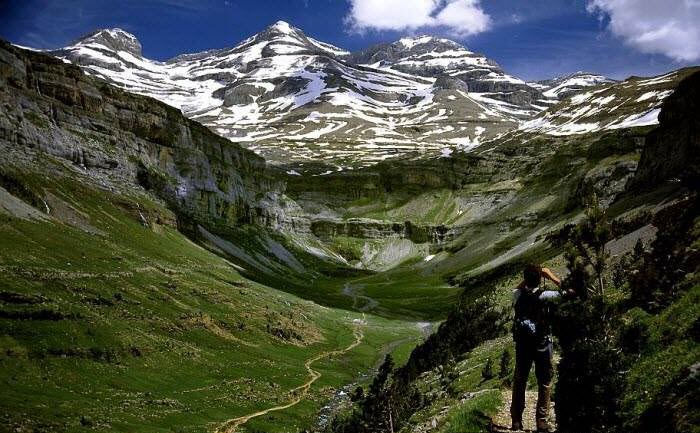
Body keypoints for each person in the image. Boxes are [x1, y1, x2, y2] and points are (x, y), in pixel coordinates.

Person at [510, 263, 566, 433]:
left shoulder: (517, 295)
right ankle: (541, 422)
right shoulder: (546, 295)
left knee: (520, 380)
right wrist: (550, 276)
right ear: (540, 279)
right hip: (542, 343)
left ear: (525, 279)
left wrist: (530, 277)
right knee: (545, 382)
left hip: (523, 345)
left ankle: (516, 421)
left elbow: (516, 288)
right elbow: (569, 292)